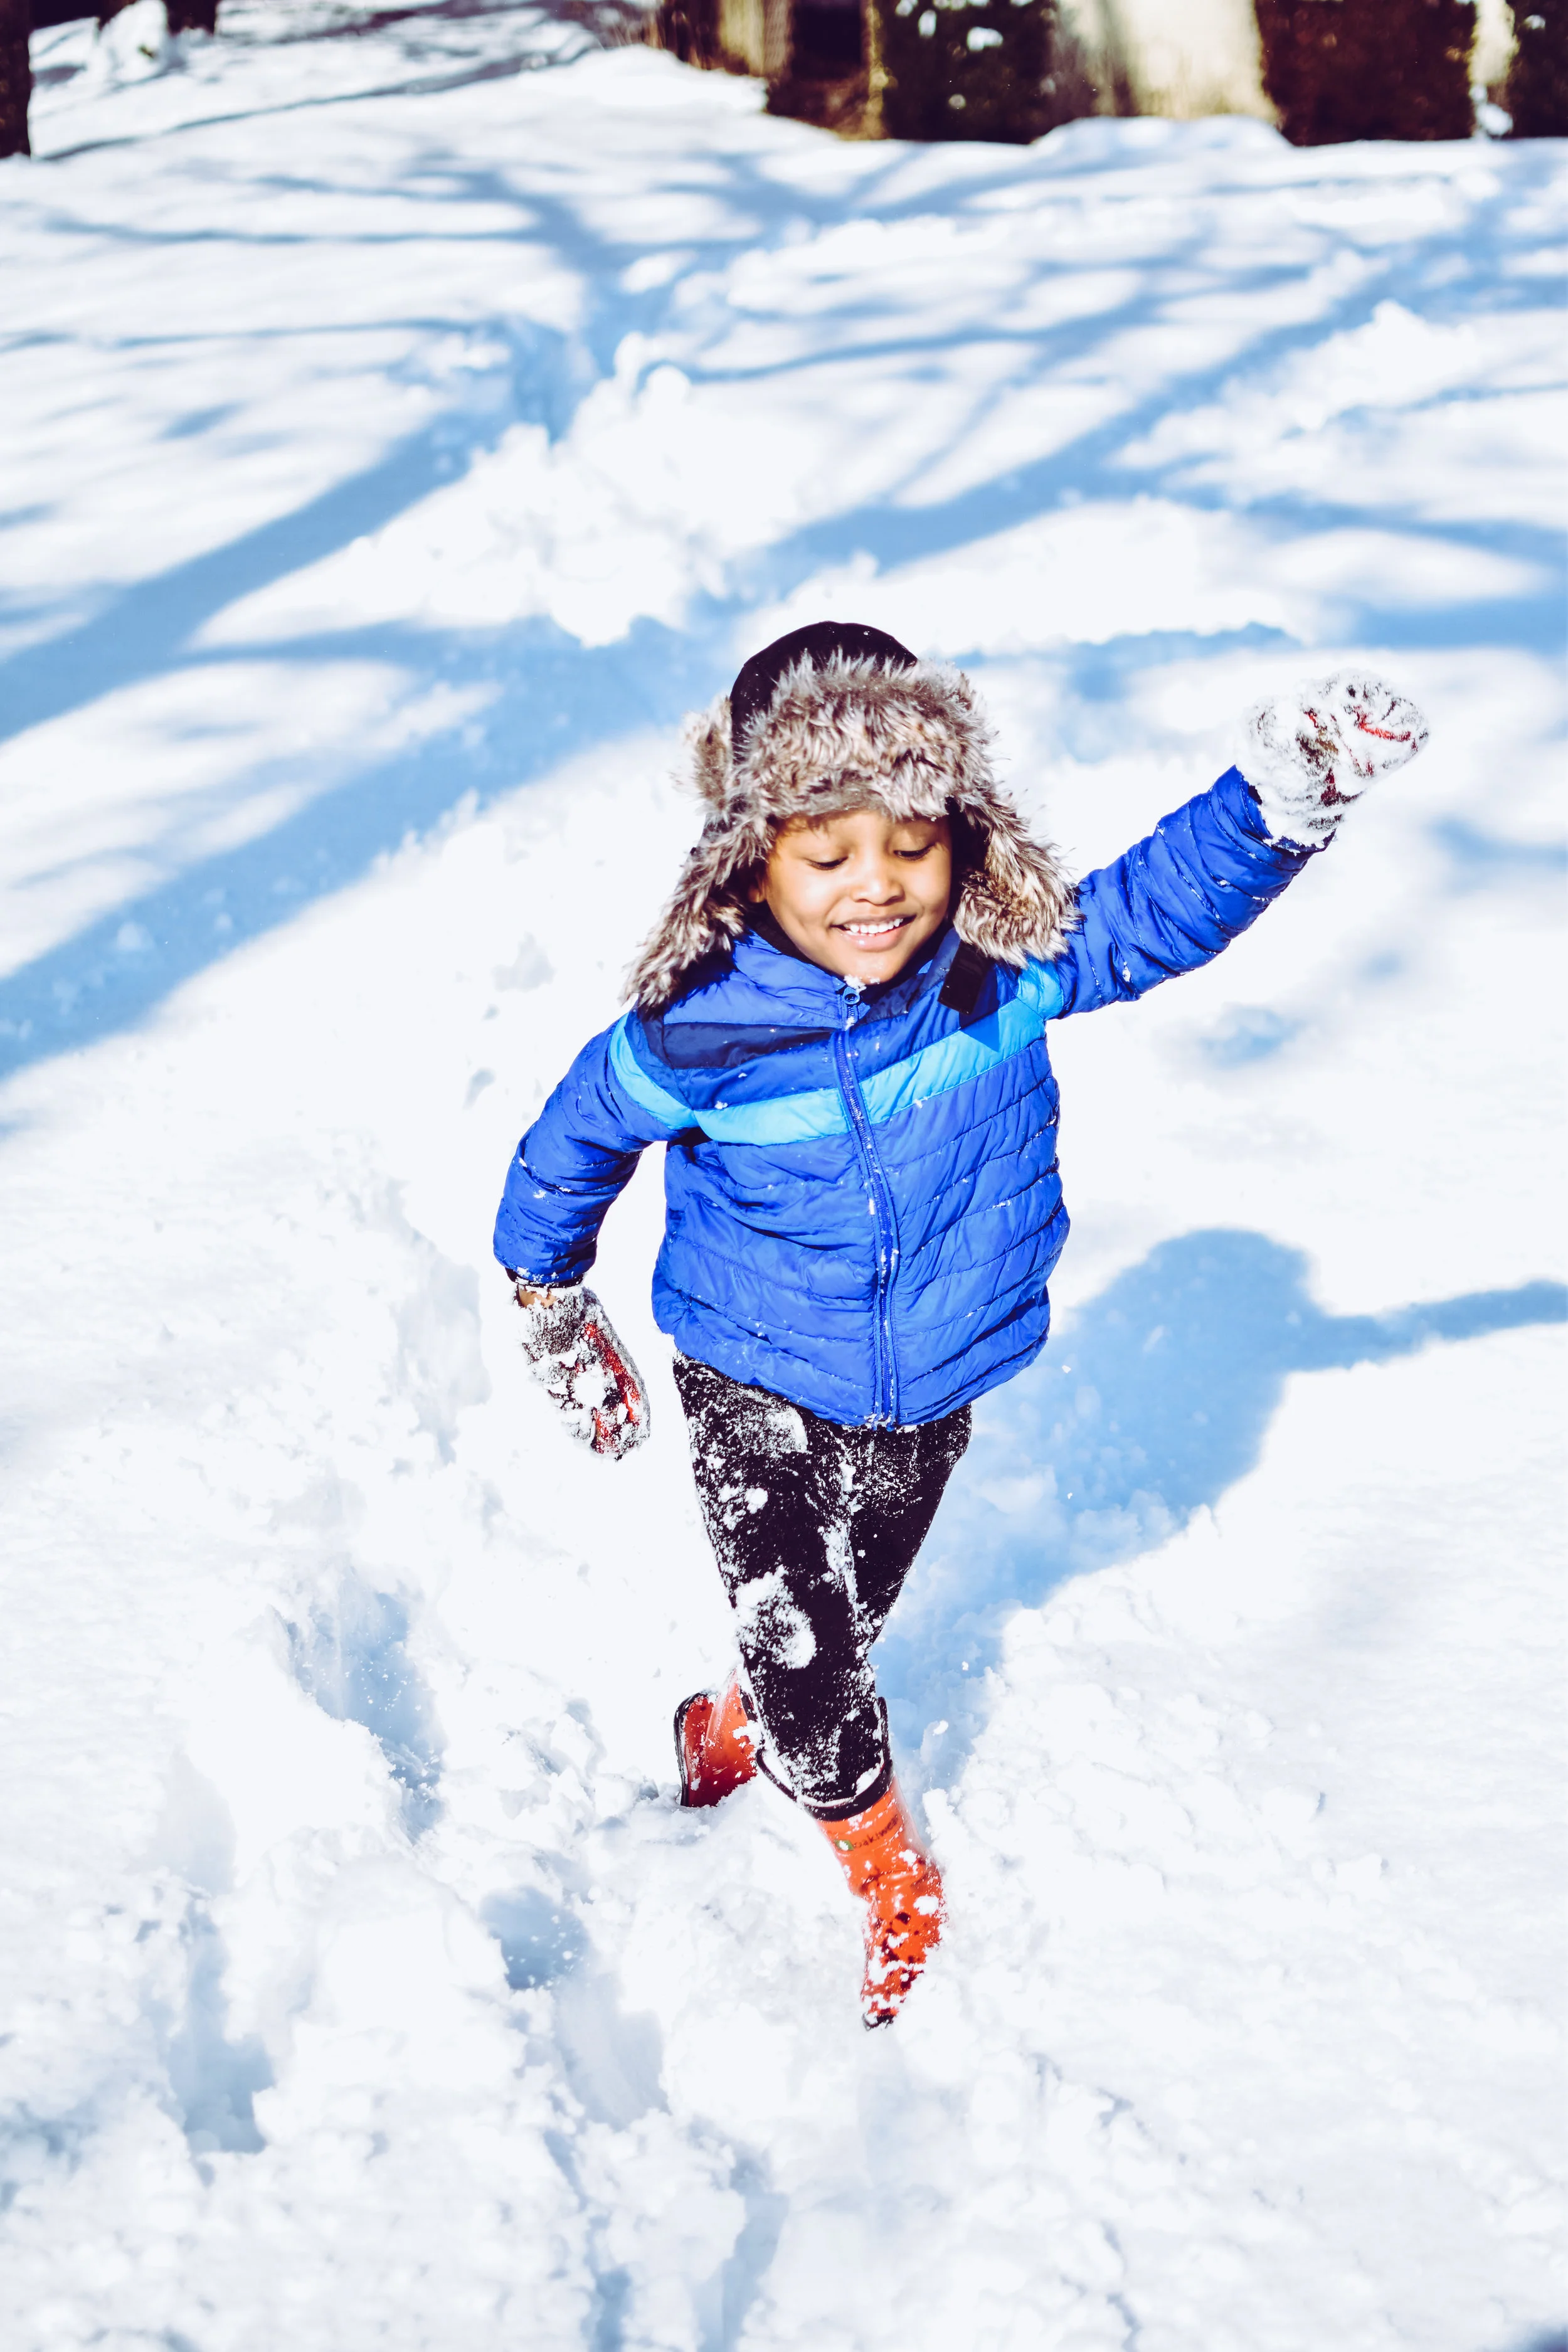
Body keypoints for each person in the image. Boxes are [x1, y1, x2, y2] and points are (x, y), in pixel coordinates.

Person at [492, 622, 1428, 2028]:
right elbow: (569, 1148)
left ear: (959, 831)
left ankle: (736, 1717)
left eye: (910, 848)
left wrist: (1272, 802)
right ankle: (880, 1862)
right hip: (749, 1366)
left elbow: (1149, 910)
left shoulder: (996, 968)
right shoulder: (696, 1029)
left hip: (933, 1375)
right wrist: (549, 1296)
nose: (875, 890)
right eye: (827, 857)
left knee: (847, 1615)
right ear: (751, 856)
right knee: (815, 1669)